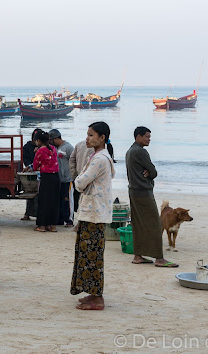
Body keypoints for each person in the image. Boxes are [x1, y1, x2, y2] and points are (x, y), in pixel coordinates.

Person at [71, 121, 115, 310]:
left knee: (92, 257)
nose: (87, 138)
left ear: (102, 138)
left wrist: (78, 180)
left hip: (94, 214)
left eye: (91, 135)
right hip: (92, 212)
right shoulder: (97, 156)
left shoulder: (99, 159)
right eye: (87, 134)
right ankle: (92, 293)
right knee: (87, 255)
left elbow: (81, 183)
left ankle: (97, 298)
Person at [125, 126, 179, 268]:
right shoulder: (141, 151)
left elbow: (147, 171)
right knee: (156, 224)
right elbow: (154, 172)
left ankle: (138, 256)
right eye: (147, 137)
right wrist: (149, 173)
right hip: (143, 192)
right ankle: (159, 259)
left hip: (133, 191)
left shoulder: (130, 151)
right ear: (138, 137)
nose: (149, 139)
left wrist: (148, 172)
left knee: (138, 224)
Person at [32, 131, 60, 232]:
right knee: (54, 201)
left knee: (44, 201)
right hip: (56, 177)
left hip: (46, 177)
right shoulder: (53, 148)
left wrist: (36, 153)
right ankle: (52, 225)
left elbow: (35, 166)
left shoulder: (40, 150)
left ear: (38, 141)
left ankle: (42, 225)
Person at [49, 129, 75, 226]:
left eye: (51, 140)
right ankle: (59, 219)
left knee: (67, 200)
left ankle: (69, 219)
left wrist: (72, 174)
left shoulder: (68, 147)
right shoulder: (54, 148)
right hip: (58, 179)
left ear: (55, 138)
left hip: (67, 179)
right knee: (59, 200)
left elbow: (74, 160)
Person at [69, 139, 94, 224]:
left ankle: (80, 223)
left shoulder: (79, 144)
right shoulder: (99, 149)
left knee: (82, 202)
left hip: (80, 178)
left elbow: (72, 160)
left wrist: (75, 176)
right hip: (89, 181)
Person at [20, 128, 42, 221]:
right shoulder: (27, 146)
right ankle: (27, 213)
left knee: (39, 194)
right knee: (29, 192)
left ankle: (38, 214)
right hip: (30, 171)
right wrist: (29, 167)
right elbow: (25, 158)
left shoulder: (43, 148)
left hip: (40, 172)